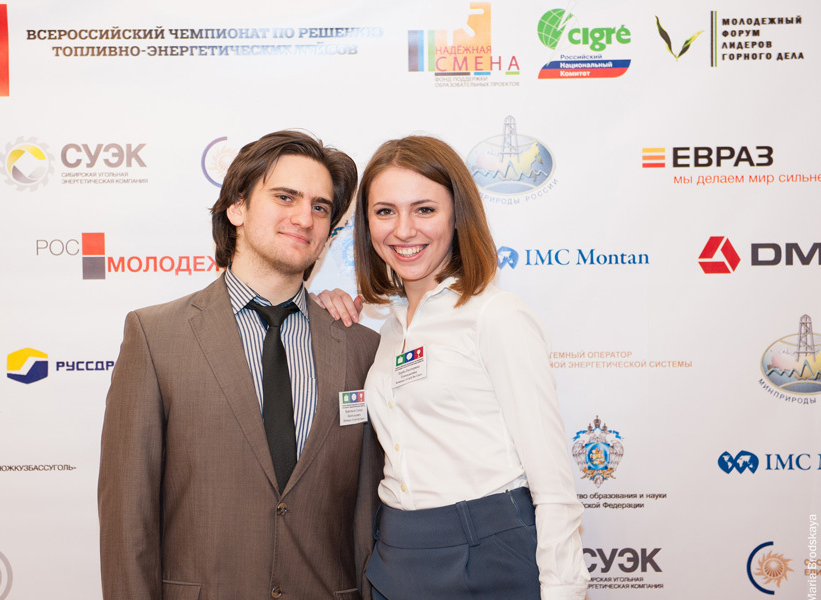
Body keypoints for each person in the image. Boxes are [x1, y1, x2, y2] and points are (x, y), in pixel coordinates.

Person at [98, 130, 382, 600]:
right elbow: (128, 519)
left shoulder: (361, 348)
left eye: (320, 207)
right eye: (285, 197)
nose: (304, 218)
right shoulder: (155, 337)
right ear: (236, 207)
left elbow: (368, 517)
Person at [316, 136, 589, 600]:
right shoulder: (389, 329)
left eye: (424, 210)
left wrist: (564, 590)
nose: (403, 230)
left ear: (457, 215)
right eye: (385, 212)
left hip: (488, 551)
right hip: (396, 553)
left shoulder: (495, 315)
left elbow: (551, 478)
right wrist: (318, 310)